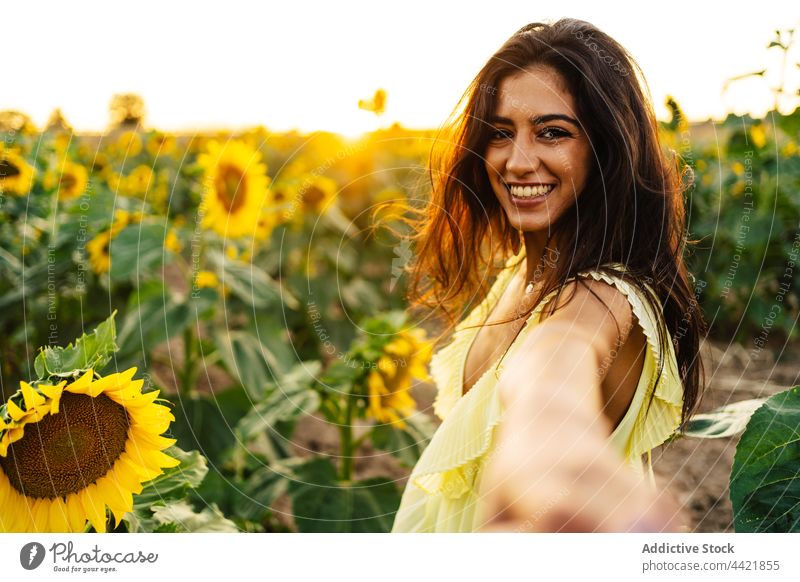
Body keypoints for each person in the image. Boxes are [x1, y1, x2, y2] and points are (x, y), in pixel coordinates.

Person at [391, 18, 707, 533]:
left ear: (605, 148)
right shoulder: (520, 274)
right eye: (499, 134)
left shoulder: (605, 296)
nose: (517, 161)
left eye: (552, 132)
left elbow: (554, 371)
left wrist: (558, 458)